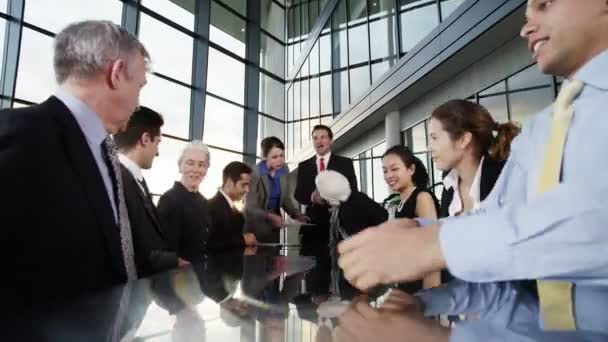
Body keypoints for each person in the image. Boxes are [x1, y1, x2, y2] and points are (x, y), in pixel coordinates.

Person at [338, 0, 608, 330]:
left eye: (545, 4)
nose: (525, 28)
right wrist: (423, 288)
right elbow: (509, 255)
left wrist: (433, 244)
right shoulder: (539, 132)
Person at [0, 20, 149, 311]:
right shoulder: (21, 133)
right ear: (117, 74)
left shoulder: (101, 151)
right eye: (139, 86)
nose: (138, 103)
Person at [114, 106, 188, 276]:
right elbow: (128, 249)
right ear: (145, 139)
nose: (158, 152)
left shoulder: (132, 178)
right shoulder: (118, 181)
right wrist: (173, 261)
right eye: (158, 142)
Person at [429, 100, 520, 219]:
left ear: (463, 140)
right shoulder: (450, 185)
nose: (429, 147)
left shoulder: (505, 180)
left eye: (434, 138)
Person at [381, 145, 441, 291]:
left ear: (411, 169)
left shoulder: (422, 198)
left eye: (395, 169)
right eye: (385, 171)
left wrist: (430, 293)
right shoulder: (400, 203)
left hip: (422, 286)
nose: (389, 175)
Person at [294, 125, 358, 254]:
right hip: (313, 229)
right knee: (313, 271)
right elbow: (298, 195)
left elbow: (353, 192)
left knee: (339, 269)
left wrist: (338, 200)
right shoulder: (304, 166)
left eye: (323, 137)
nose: (319, 141)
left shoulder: (345, 163)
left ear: (331, 140)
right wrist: (312, 197)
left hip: (339, 225)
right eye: (315, 138)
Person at [157, 141, 212, 263]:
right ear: (180, 166)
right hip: (180, 277)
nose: (196, 169)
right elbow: (166, 251)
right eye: (190, 163)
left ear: (207, 170)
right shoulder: (169, 200)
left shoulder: (203, 201)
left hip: (201, 275)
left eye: (201, 165)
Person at [245, 136, 306, 243]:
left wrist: (296, 215)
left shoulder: (284, 169)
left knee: (274, 256)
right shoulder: (254, 173)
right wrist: (270, 216)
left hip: (274, 227)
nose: (280, 160)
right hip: (255, 227)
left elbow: (286, 198)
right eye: (274, 157)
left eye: (282, 156)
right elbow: (250, 207)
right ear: (264, 157)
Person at [208, 161, 257, 251]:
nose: (247, 190)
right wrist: (243, 240)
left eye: (248, 185)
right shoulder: (211, 207)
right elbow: (209, 244)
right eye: (243, 185)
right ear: (229, 183)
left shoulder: (232, 209)